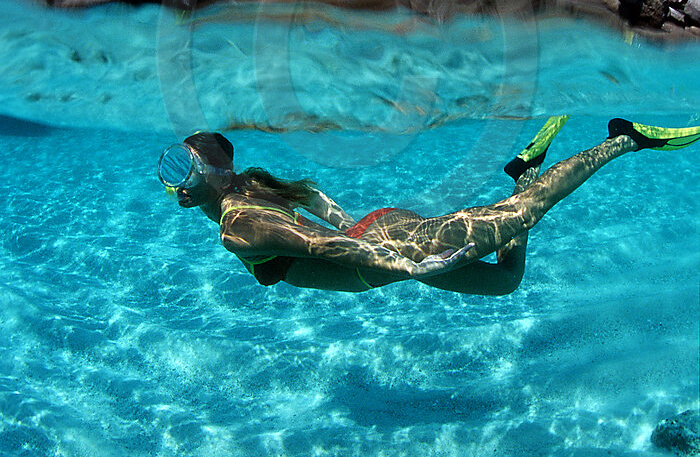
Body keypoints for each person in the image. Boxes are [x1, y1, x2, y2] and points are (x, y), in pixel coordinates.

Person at [157, 117, 700, 295]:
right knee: (505, 281)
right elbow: (316, 201)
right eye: (170, 173)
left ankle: (624, 140)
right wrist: (359, 224)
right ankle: (524, 170)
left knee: (529, 211)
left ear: (215, 173)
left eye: (183, 170)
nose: (175, 184)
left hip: (387, 251)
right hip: (384, 239)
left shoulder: (239, 230)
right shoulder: (248, 188)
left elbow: (329, 247)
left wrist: (410, 262)